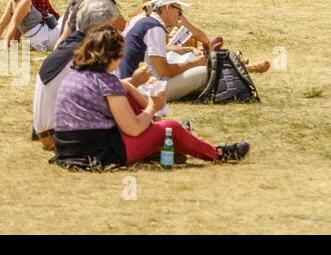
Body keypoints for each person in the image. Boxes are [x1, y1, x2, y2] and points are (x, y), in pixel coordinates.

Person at [52, 27, 249, 169]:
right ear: (110, 56)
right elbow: (134, 128)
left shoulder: (76, 75)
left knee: (130, 98)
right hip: (99, 153)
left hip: (68, 148)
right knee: (172, 128)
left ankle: (167, 145)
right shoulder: (106, 81)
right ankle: (218, 153)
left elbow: (124, 87)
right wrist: (153, 108)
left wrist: (133, 87)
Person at [31, 0, 126, 151]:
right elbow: (110, 94)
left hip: (46, 129)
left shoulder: (70, 45)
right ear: (100, 26)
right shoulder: (86, 53)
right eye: (111, 26)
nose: (113, 31)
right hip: (61, 135)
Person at [118, 0, 209, 101]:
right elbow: (164, 70)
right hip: (142, 90)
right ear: (168, 7)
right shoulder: (155, 28)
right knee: (206, 71)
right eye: (179, 12)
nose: (179, 17)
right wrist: (194, 63)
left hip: (129, 84)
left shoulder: (144, 22)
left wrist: (188, 51)